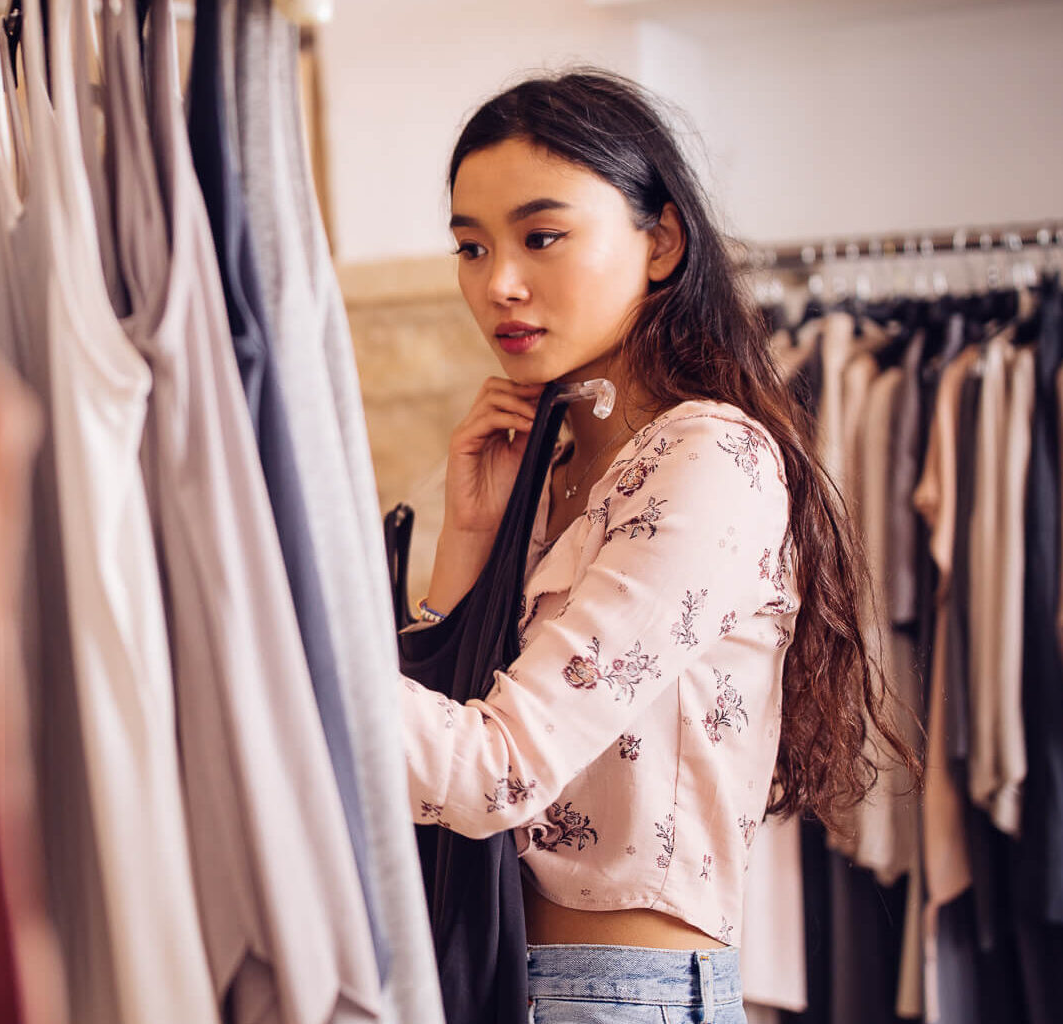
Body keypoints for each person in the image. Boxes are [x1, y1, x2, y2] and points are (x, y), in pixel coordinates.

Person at [398, 70, 917, 1023]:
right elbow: (448, 756)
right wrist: (471, 535)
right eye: (470, 246)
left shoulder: (708, 458)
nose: (497, 282)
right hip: (492, 979)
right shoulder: (550, 457)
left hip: (615, 1001)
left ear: (661, 241)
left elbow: (493, 771)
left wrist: (280, 646)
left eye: (540, 237)